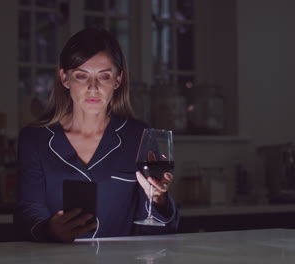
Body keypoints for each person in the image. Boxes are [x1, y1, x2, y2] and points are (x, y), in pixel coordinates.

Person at [14, 27, 179, 242]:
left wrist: (159, 200)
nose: (93, 88)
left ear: (117, 80)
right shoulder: (34, 139)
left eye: (104, 76)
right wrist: (48, 229)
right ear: (65, 78)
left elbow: (157, 233)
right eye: (82, 76)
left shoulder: (138, 136)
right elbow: (27, 213)